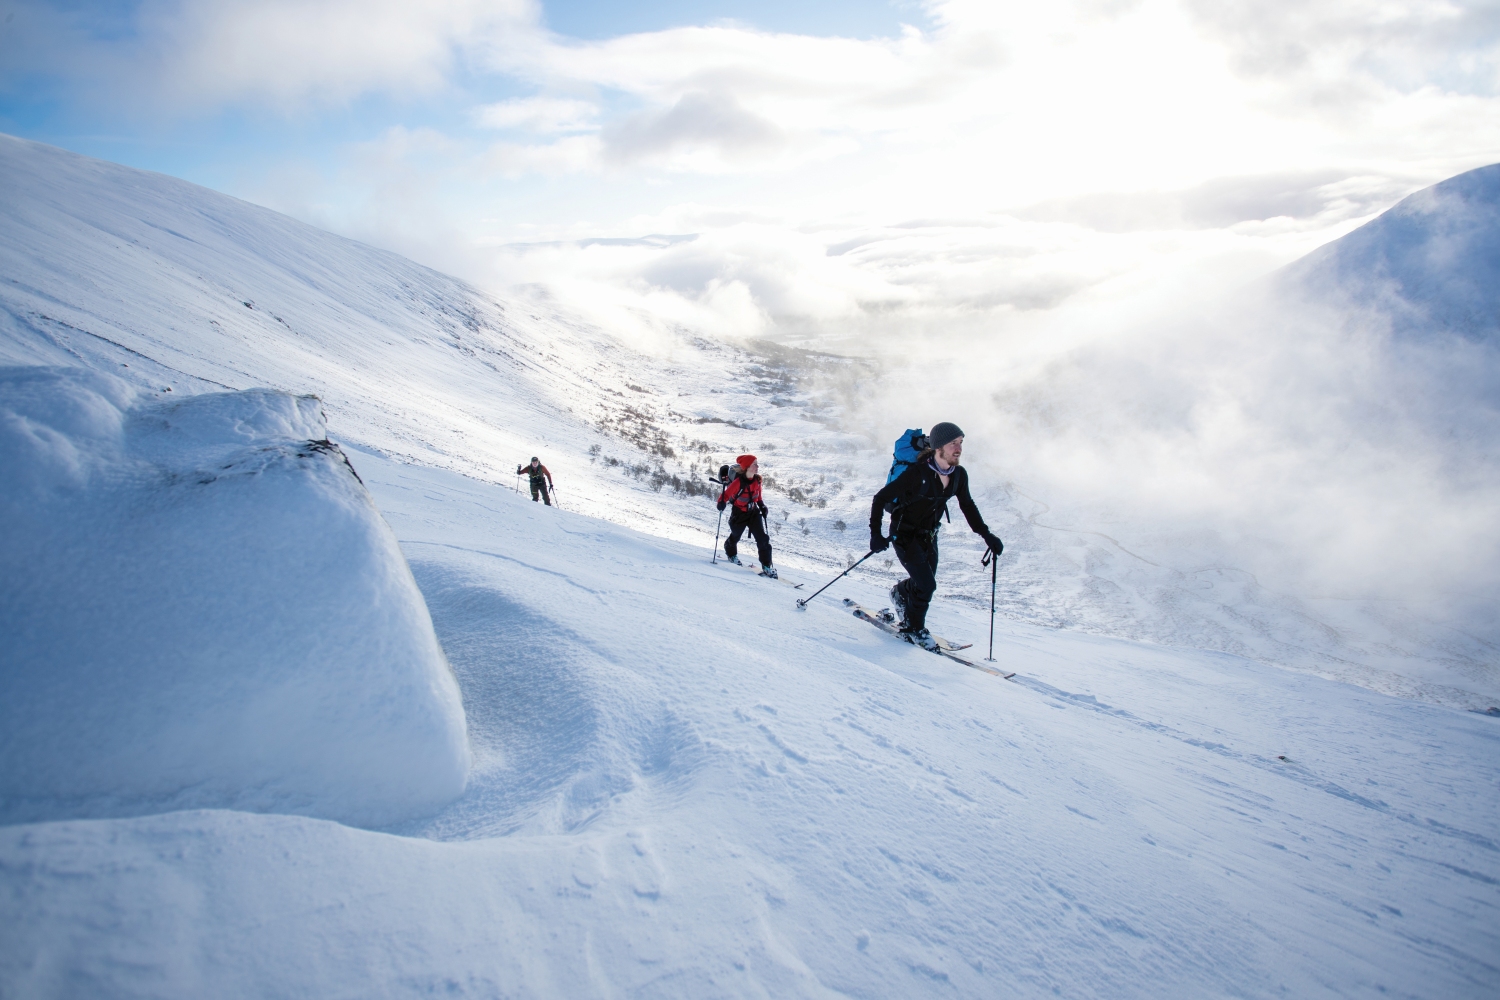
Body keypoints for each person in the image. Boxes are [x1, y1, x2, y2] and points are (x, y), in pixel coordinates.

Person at [869, 422, 1003, 650]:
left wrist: (986, 535)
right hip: (904, 535)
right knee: (927, 585)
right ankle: (914, 628)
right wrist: (876, 534)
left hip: (929, 536)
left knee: (924, 582)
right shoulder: (917, 474)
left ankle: (900, 593)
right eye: (953, 443)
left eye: (961, 442)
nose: (958, 448)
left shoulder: (958, 475)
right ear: (939, 446)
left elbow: (967, 506)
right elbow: (880, 498)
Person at [717, 454, 777, 579]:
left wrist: (762, 506)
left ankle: (767, 566)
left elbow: (758, 496)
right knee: (735, 536)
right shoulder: (738, 483)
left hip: (753, 513)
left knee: (763, 539)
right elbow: (725, 496)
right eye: (754, 464)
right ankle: (731, 552)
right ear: (747, 467)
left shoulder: (758, 480)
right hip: (739, 513)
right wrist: (721, 503)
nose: (757, 466)